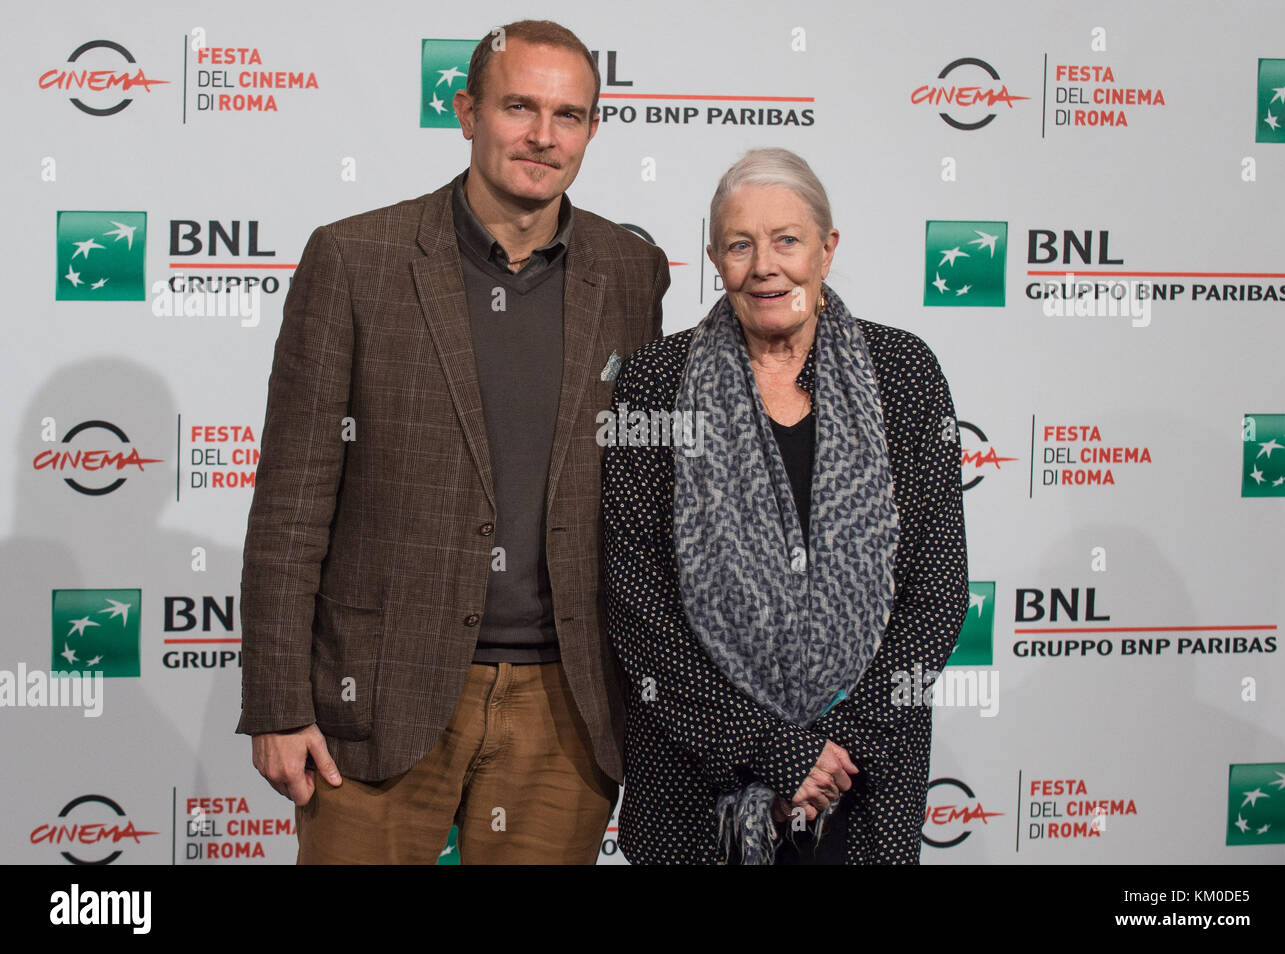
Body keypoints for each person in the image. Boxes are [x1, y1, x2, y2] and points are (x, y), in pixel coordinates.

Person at [237, 19, 669, 864]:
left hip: (567, 708)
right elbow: (291, 501)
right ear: (466, 112)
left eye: (570, 115)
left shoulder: (629, 271)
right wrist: (280, 703)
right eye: (519, 107)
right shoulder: (356, 258)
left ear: (591, 130)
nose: (544, 136)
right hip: (380, 693)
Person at [603, 148, 967, 864]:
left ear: (827, 251)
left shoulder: (905, 374)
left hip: (858, 782)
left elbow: (937, 589)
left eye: (787, 241)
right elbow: (636, 598)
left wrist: (838, 752)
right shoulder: (653, 383)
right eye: (740, 245)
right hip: (697, 775)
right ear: (714, 258)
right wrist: (771, 748)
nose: (764, 266)